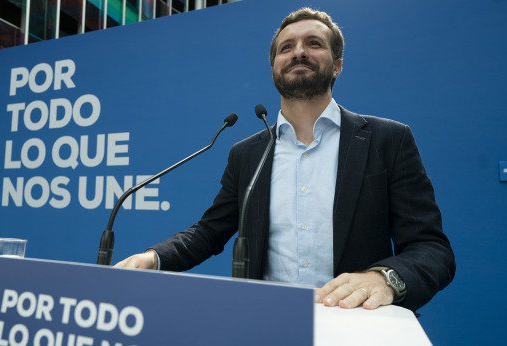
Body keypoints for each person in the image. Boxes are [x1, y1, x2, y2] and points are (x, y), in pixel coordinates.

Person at [115, 8, 455, 312]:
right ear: (274, 66)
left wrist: (386, 279)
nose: (299, 53)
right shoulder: (246, 154)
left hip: (355, 323)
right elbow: (210, 231)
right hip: (264, 323)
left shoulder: (388, 140)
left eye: (314, 43)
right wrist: (155, 257)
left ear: (337, 65)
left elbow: (431, 249)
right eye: (286, 47)